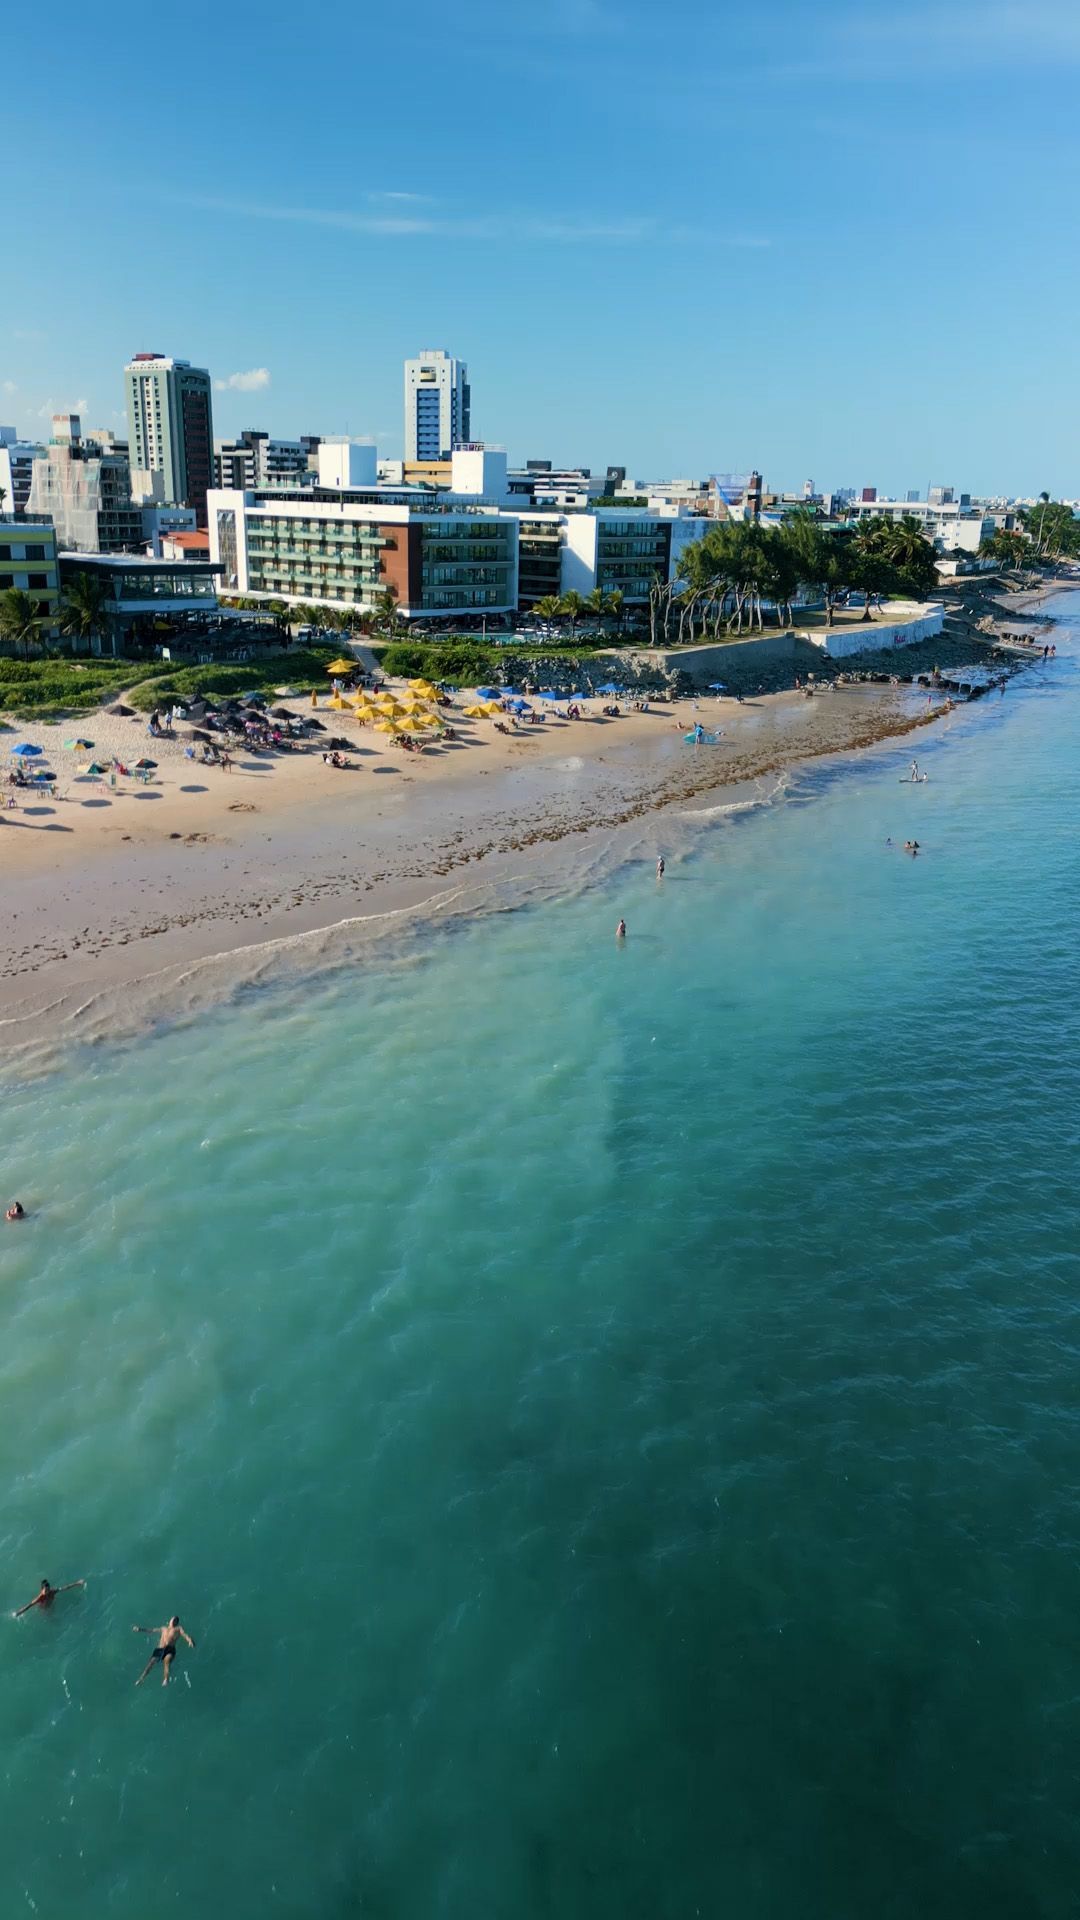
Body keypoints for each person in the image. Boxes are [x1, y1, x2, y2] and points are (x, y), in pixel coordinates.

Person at [133, 1616, 195, 1688]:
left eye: (175, 1620)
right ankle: (141, 1679)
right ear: (170, 1620)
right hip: (160, 1649)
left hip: (170, 1649)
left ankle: (166, 1679)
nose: (173, 1620)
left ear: (176, 1622)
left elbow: (184, 1634)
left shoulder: (178, 1628)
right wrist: (140, 1629)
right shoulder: (163, 1628)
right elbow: (151, 1630)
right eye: (173, 1619)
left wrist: (190, 1640)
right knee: (151, 1663)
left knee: (166, 1661)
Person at [14, 1577, 85, 1617]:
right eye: (45, 1590)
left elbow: (65, 1588)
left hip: (51, 1605)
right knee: (49, 1616)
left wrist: (77, 1583)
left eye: (48, 1589)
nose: (47, 1592)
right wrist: (19, 1612)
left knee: (53, 1613)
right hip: (44, 1609)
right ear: (42, 1590)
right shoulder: (39, 1598)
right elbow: (29, 1605)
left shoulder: (52, 1591)